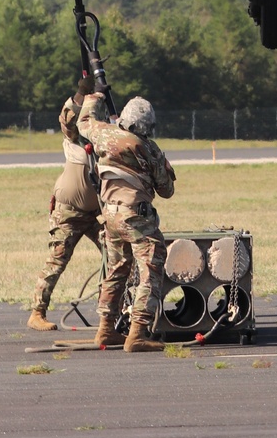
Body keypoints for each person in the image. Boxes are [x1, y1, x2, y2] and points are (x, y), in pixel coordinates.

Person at [77, 91, 176, 352]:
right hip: (136, 215)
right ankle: (137, 333)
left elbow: (84, 121)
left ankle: (105, 330)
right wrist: (163, 165)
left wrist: (93, 98)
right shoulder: (148, 148)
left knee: (117, 269)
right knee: (151, 268)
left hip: (109, 214)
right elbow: (166, 191)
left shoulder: (103, 134)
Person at [27, 76, 102, 331]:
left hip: (95, 214)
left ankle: (114, 308)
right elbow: (67, 118)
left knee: (116, 256)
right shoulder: (75, 136)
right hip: (68, 212)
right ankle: (37, 313)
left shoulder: (105, 141)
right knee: (57, 260)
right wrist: (82, 93)